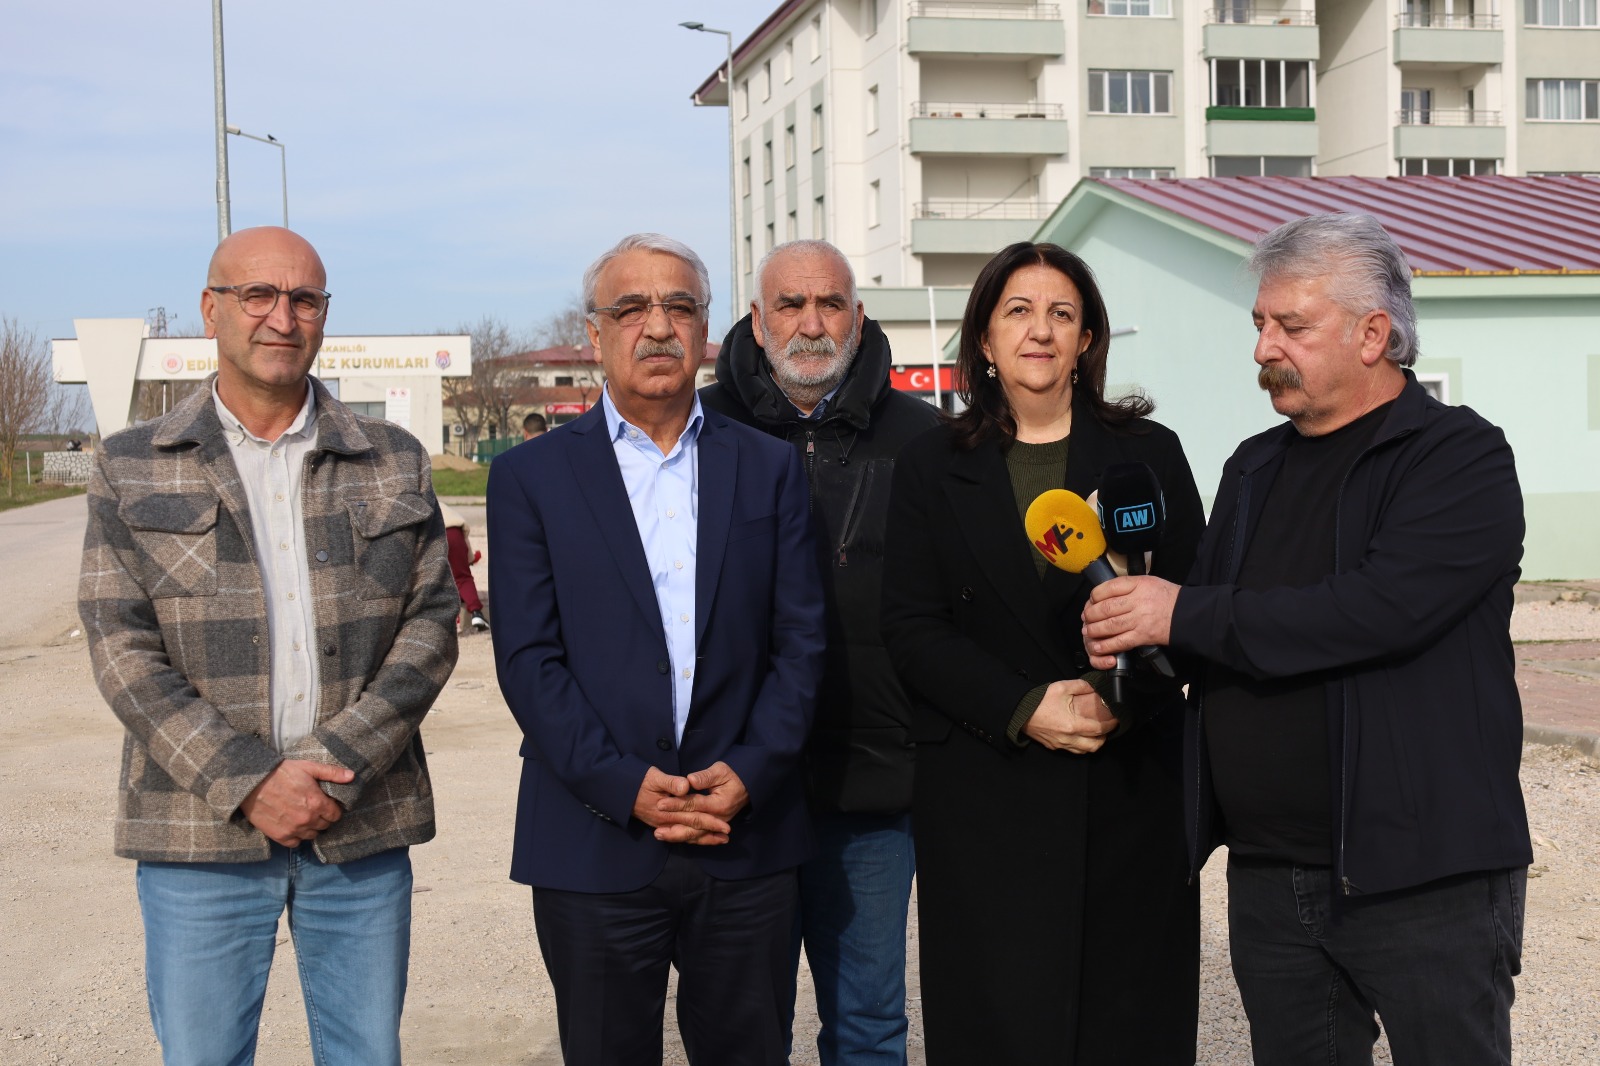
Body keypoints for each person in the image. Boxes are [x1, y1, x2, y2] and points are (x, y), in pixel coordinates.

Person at [1082, 213, 1532, 1066]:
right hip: (1269, 876)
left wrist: (1180, 614)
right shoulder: (1253, 465)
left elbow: (1374, 610)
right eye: (1260, 323)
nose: (1264, 348)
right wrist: (1127, 622)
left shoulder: (1459, 457)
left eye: (1291, 325)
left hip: (1424, 874)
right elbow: (1202, 628)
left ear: (1374, 334)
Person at [77, 226, 459, 1066]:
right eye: (258, 294)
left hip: (358, 820)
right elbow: (121, 649)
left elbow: (431, 627)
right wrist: (248, 780)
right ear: (210, 309)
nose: (282, 318)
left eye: (304, 299)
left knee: (366, 1054)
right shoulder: (133, 464)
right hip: (198, 833)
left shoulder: (392, 460)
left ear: (323, 314)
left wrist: (335, 765)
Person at [487, 232, 826, 1065]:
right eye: (631, 307)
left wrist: (750, 772)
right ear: (595, 332)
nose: (658, 326)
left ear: (706, 329)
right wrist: (622, 784)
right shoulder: (530, 478)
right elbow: (529, 660)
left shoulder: (770, 468)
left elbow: (801, 643)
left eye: (679, 306)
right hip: (593, 840)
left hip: (743, 836)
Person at [879, 241, 1205, 1064]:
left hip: (1128, 791)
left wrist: (1116, 699)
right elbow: (911, 628)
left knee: (1126, 1029)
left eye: (1062, 314)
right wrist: (1025, 708)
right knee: (999, 1028)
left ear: (1087, 340)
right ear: (985, 339)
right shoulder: (928, 466)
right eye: (1018, 312)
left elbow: (1197, 607)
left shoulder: (1149, 455)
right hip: (986, 795)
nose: (1041, 330)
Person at [700, 239, 939, 1066]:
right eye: (791, 305)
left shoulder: (925, 440)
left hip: (870, 787)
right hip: (736, 789)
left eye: (830, 304)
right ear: (757, 320)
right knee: (743, 1028)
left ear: (858, 319)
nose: (812, 324)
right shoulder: (698, 431)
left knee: (868, 1023)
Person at [439, 500, 489, 632]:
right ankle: (476, 613)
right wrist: (470, 559)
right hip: (455, 532)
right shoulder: (444, 507)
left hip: (435, 535)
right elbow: (466, 547)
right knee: (462, 577)